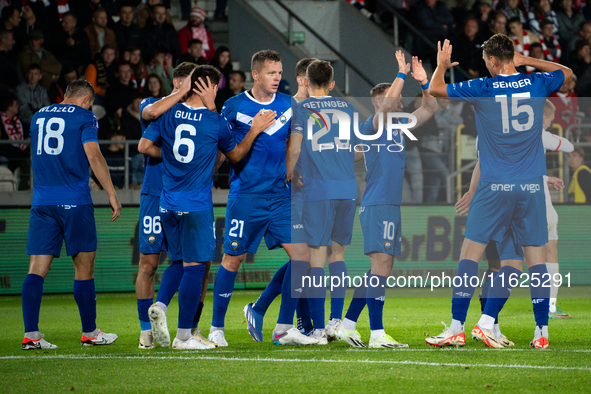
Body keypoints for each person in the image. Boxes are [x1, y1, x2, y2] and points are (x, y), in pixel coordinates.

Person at [425, 36, 572, 349]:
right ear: (512, 57)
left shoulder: (483, 87)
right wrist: (526, 60)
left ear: (492, 61)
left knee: (470, 255)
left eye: (486, 60)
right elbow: (566, 71)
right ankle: (541, 333)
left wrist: (439, 67)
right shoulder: (537, 83)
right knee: (535, 262)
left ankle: (455, 327)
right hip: (532, 186)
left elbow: (436, 90)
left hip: (494, 186)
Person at [138, 65, 276, 350]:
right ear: (208, 87)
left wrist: (172, 158)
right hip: (196, 203)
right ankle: (184, 336)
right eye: (216, 86)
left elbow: (145, 144)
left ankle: (161, 306)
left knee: (177, 261)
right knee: (196, 268)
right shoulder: (214, 122)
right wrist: (254, 129)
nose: (218, 91)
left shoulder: (168, 113)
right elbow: (236, 154)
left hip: (166, 202)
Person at [209, 50, 315, 347]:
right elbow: (225, 151)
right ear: (255, 74)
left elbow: (291, 145)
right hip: (247, 197)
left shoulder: (288, 105)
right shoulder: (233, 106)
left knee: (302, 257)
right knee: (233, 259)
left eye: (279, 73)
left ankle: (281, 328)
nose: (277, 78)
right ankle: (217, 328)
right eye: (271, 73)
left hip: (281, 197)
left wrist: (295, 171)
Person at [337, 53, 437, 348]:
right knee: (382, 267)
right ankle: (377, 334)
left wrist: (424, 82)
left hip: (388, 203)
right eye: (388, 99)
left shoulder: (398, 126)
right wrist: (401, 75)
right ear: (378, 104)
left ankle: (347, 325)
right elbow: (389, 106)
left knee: (379, 269)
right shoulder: (372, 125)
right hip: (378, 202)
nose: (396, 103)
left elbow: (430, 107)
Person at [22, 79, 121, 350]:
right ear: (87, 99)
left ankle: (31, 335)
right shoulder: (85, 116)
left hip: (42, 200)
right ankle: (89, 332)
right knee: (84, 268)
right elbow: (93, 154)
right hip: (74, 201)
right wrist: (111, 192)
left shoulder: (38, 116)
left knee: (36, 270)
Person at [242, 58, 318, 343]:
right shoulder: (286, 107)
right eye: (314, 81)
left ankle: (285, 317)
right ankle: (285, 321)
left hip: (310, 192)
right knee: (304, 257)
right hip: (288, 193)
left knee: (305, 259)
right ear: (301, 80)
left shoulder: (311, 109)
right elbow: (283, 150)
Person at [289, 60, 361, 345]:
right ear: (332, 83)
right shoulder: (349, 108)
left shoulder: (302, 109)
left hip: (318, 190)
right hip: (347, 189)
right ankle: (335, 321)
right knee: (338, 256)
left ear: (306, 82)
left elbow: (294, 148)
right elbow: (359, 150)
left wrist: (290, 173)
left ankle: (318, 329)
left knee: (316, 260)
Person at [15, 63, 51, 130]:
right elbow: (23, 109)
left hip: (42, 123)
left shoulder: (43, 90)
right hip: (26, 124)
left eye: (35, 74)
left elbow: (47, 107)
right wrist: (37, 122)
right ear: (26, 74)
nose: (32, 76)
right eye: (30, 73)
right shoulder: (20, 89)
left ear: (40, 76)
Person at [0, 30, 22, 95]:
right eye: (11, 39)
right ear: (3, 40)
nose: (14, 42)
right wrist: (7, 89)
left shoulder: (12, 56)